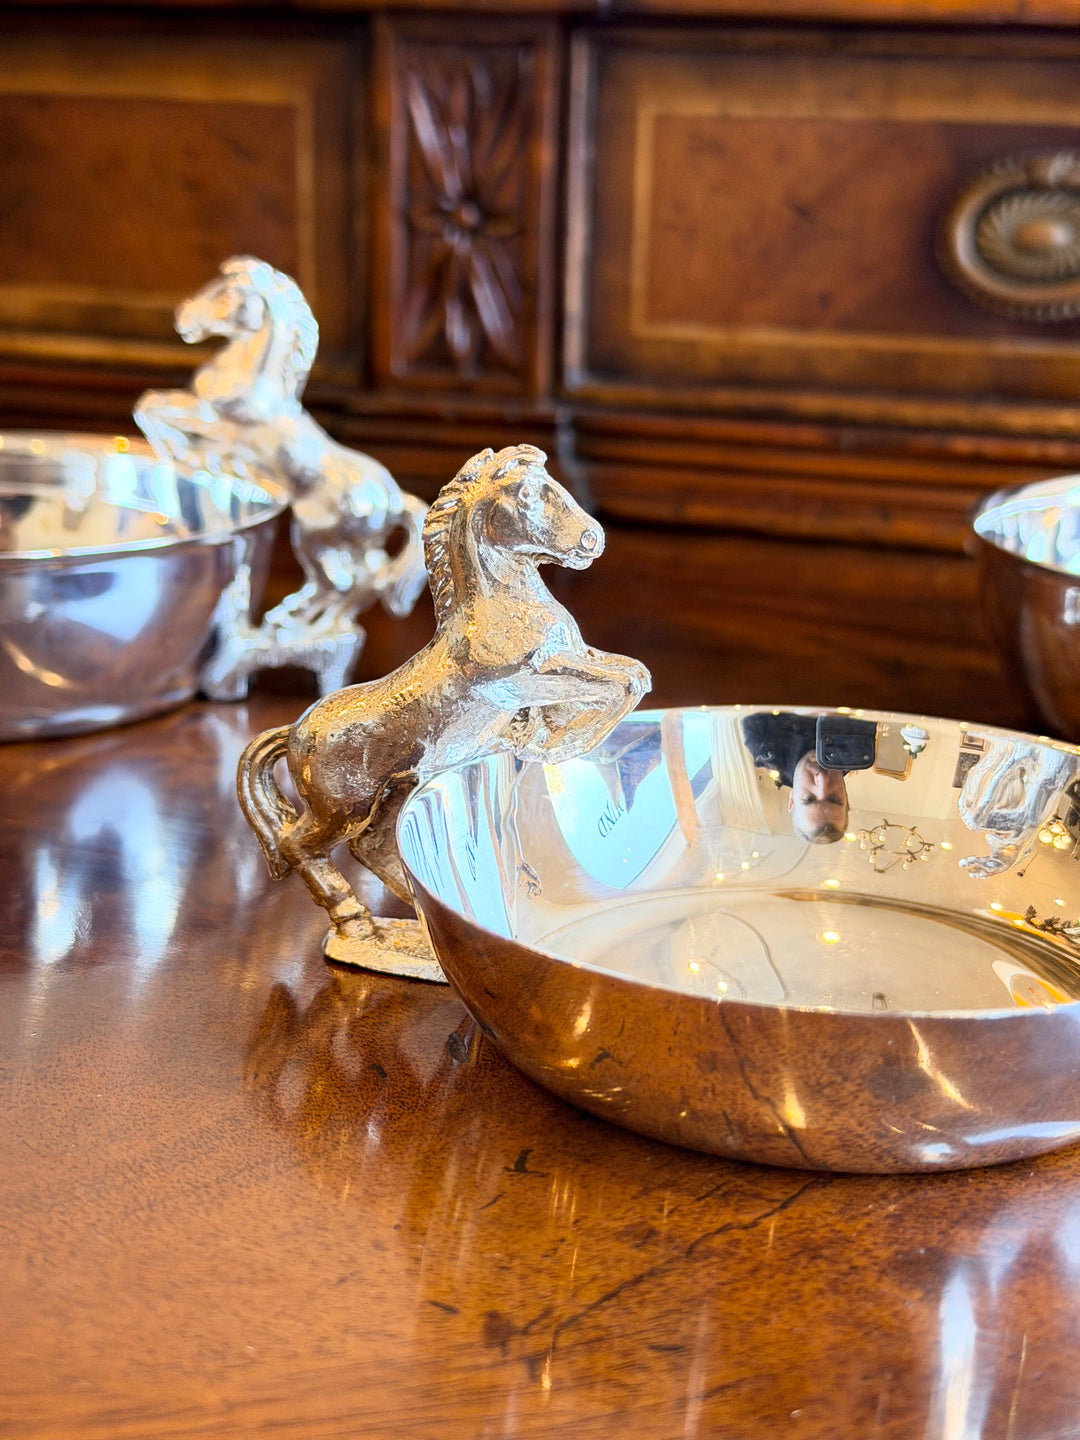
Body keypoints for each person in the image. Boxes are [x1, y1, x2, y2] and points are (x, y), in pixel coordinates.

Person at [740, 710, 876, 844]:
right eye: (834, 799)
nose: (822, 779)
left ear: (792, 799)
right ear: (846, 797)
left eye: (809, 798)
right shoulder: (860, 751)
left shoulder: (762, 744)